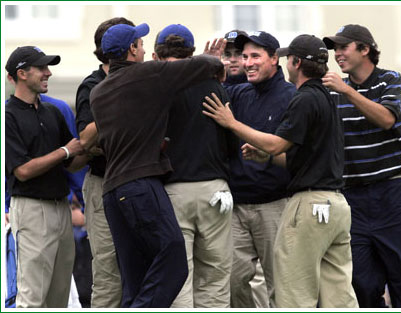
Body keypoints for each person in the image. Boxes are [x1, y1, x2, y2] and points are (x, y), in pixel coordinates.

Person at [203, 34, 359, 308]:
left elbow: (277, 144)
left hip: (308, 204)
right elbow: (299, 156)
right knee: (338, 296)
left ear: (295, 63)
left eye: (289, 59)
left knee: (294, 294)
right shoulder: (326, 97)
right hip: (335, 204)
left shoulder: (303, 98)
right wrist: (267, 155)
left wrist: (231, 123)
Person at [88, 23, 226, 308]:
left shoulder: (98, 92)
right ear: (132, 50)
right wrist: (212, 59)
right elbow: (207, 64)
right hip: (140, 185)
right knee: (174, 260)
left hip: (112, 193)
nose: (141, 47)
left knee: (134, 279)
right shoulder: (147, 74)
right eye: (139, 43)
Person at [152, 24, 236, 308]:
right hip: (215, 189)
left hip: (174, 190)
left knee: (179, 277)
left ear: (156, 55)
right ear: (191, 53)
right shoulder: (214, 86)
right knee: (215, 278)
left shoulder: (158, 88)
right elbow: (231, 144)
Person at [322, 24, 401, 308]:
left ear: (364, 49)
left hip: (391, 193)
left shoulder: (390, 80)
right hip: (351, 198)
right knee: (361, 283)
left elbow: (387, 119)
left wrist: (346, 90)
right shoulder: (333, 92)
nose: (337, 55)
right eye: (335, 49)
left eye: (343, 47)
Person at [5, 46, 88, 307]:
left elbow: (73, 164)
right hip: (31, 210)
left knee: (58, 297)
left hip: (60, 207)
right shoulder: (7, 116)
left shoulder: (52, 112)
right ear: (20, 74)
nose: (48, 73)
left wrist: (95, 145)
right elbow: (23, 170)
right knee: (32, 298)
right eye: (41, 68)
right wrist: (65, 151)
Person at [223, 31, 295, 307]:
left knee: (281, 283)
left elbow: (298, 155)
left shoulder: (291, 96)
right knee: (231, 279)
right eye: (244, 57)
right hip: (237, 206)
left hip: (275, 204)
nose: (247, 62)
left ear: (275, 59)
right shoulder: (240, 93)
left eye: (255, 56)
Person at [75, 17, 135, 308]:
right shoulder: (92, 86)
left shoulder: (142, 78)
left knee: (141, 266)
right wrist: (116, 95)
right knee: (108, 269)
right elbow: (87, 139)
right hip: (102, 184)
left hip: (140, 184)